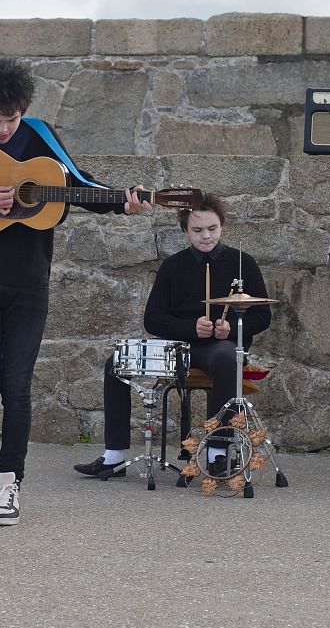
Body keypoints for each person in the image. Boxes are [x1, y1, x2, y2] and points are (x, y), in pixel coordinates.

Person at [0, 57, 148, 526]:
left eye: (10, 119)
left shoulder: (41, 136)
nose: (1, 129)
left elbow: (77, 187)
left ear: (24, 110)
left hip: (28, 285)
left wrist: (123, 201)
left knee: (16, 389)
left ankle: (9, 485)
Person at [74, 193, 271, 480]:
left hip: (218, 348)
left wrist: (232, 328)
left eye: (212, 229)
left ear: (222, 226)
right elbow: (153, 318)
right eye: (198, 230)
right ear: (185, 231)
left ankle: (218, 453)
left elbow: (262, 316)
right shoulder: (173, 266)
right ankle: (113, 456)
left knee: (227, 358)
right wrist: (191, 328)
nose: (206, 236)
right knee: (115, 362)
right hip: (177, 347)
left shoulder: (243, 263)